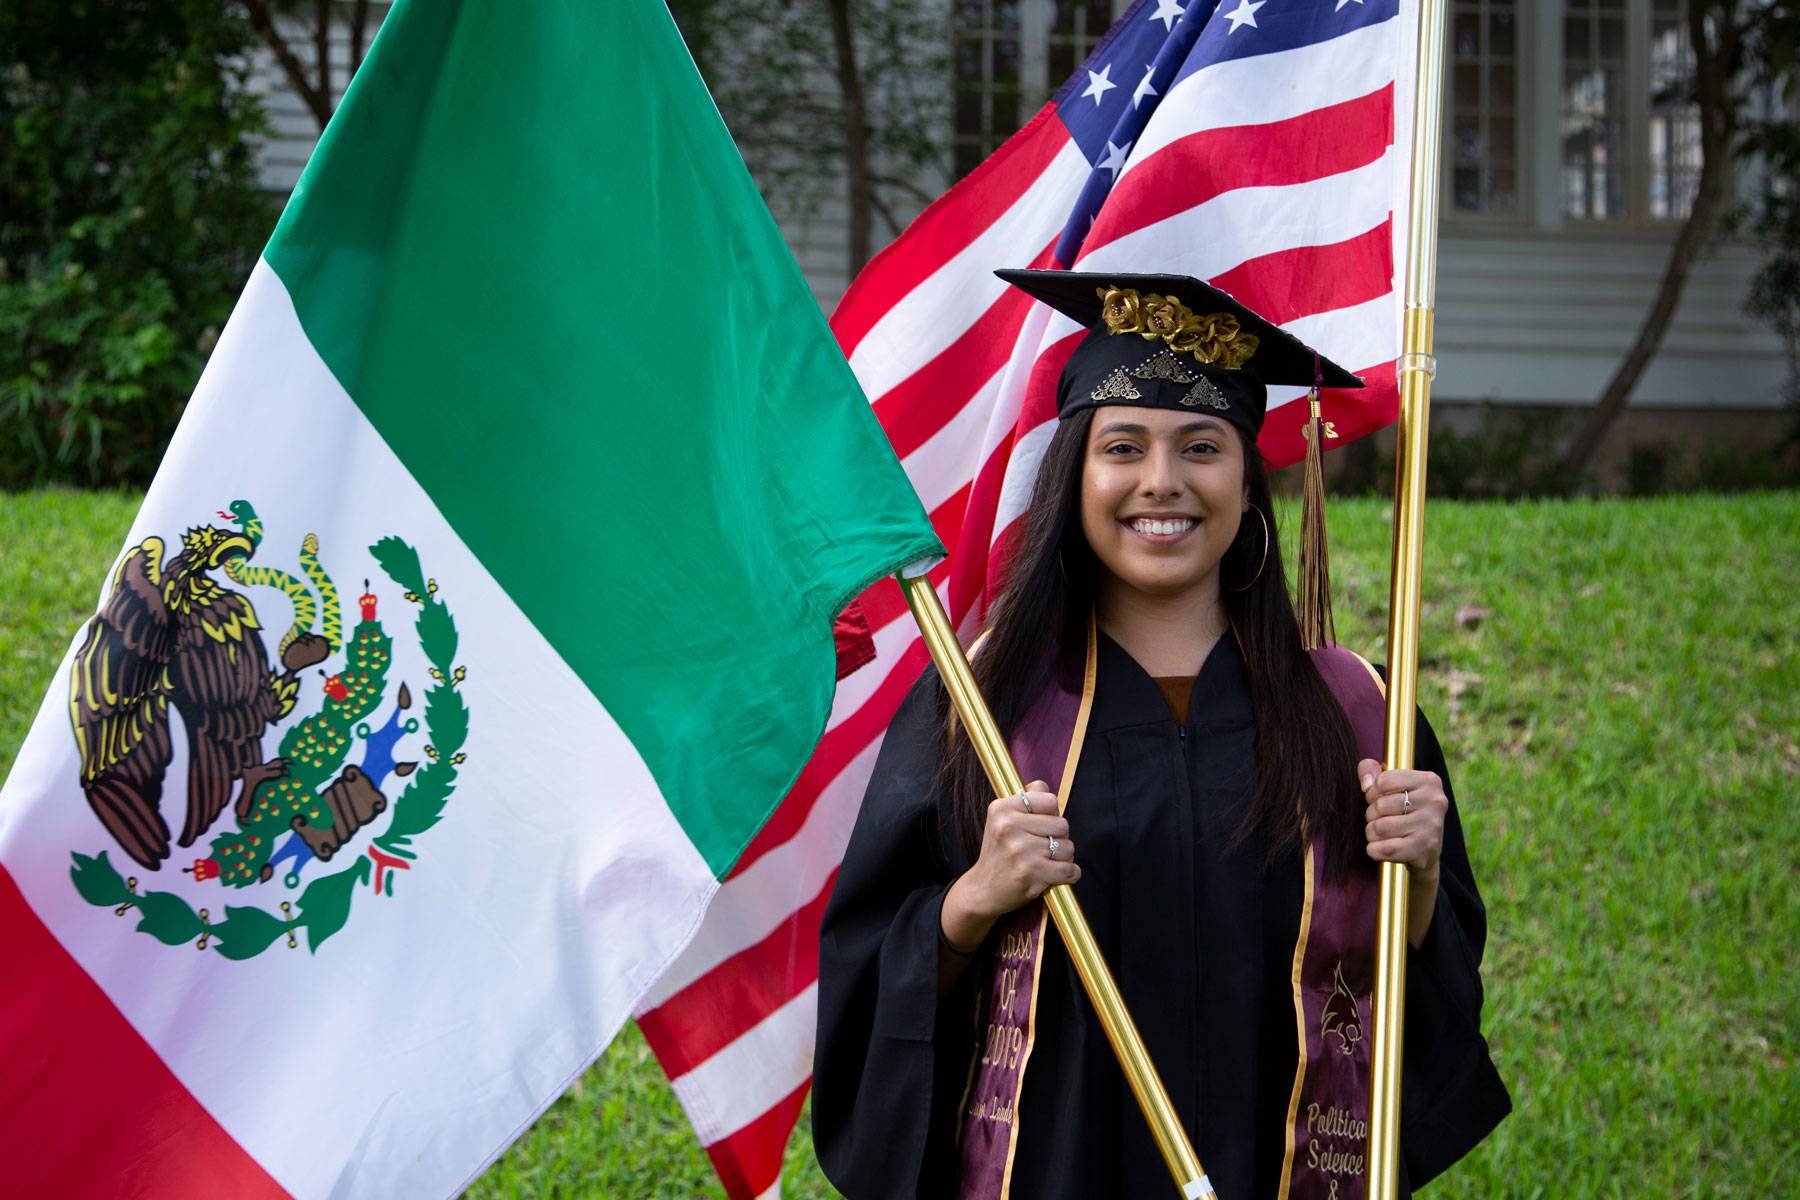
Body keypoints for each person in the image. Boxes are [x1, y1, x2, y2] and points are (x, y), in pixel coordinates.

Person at [813, 270, 1510, 1200]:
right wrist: (975, 897)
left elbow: (1427, 1012)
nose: (1162, 482)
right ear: (1077, 475)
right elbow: (869, 980)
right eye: (1125, 446)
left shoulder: (1358, 716)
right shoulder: (982, 706)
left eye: (1201, 447)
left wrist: (1417, 880)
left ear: (1248, 477)